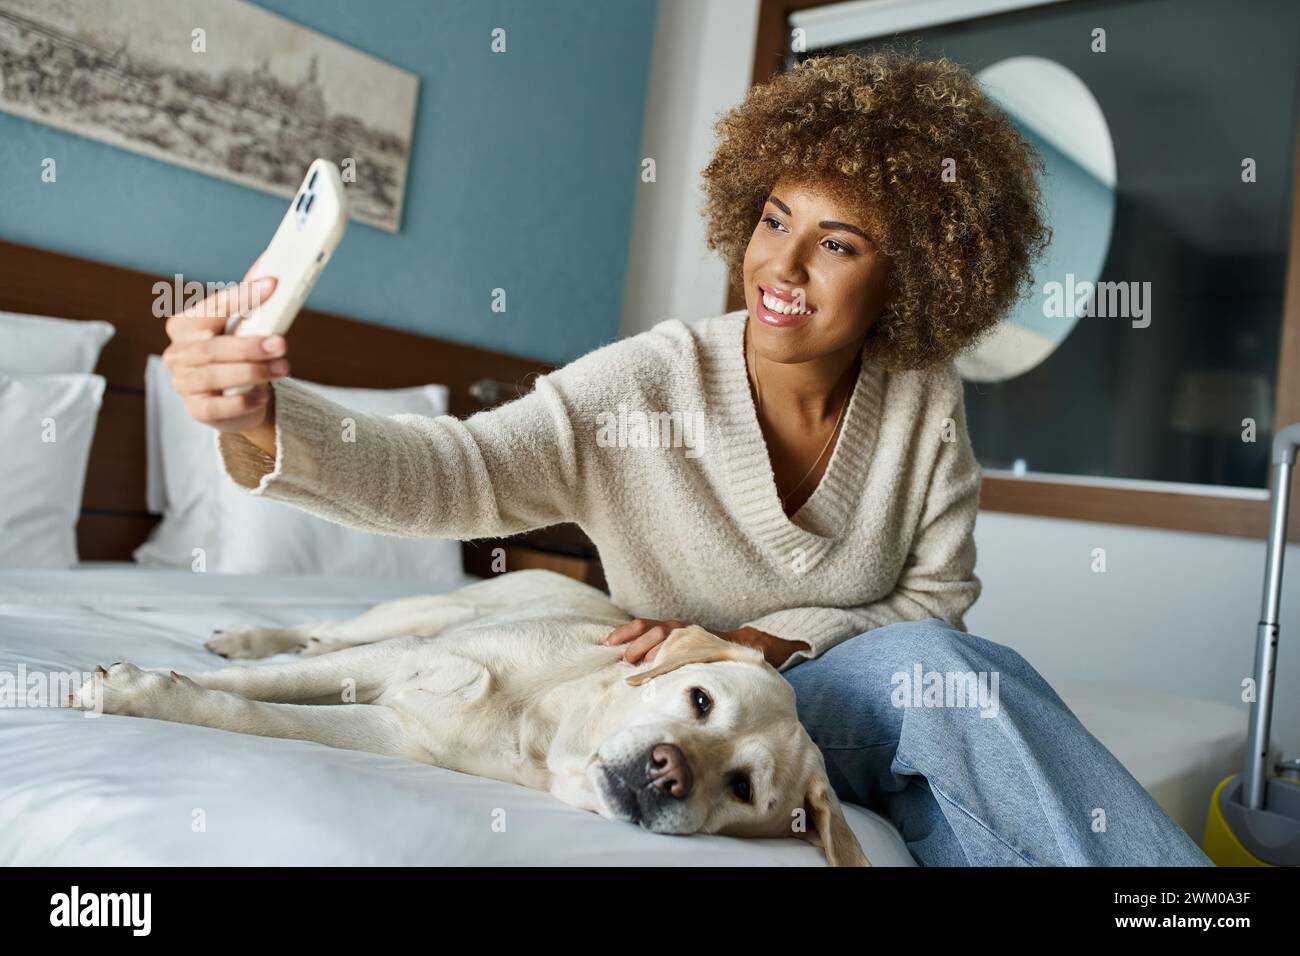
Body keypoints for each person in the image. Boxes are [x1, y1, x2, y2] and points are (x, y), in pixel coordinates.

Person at [161, 50, 1212, 866]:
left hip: (842, 705)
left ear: (915, 279)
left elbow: (933, 605)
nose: (781, 266)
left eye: (838, 243)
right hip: (721, 735)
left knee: (947, 682)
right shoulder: (647, 385)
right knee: (952, 731)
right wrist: (265, 418)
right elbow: (457, 471)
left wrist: (750, 640)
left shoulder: (923, 405)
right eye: (772, 219)